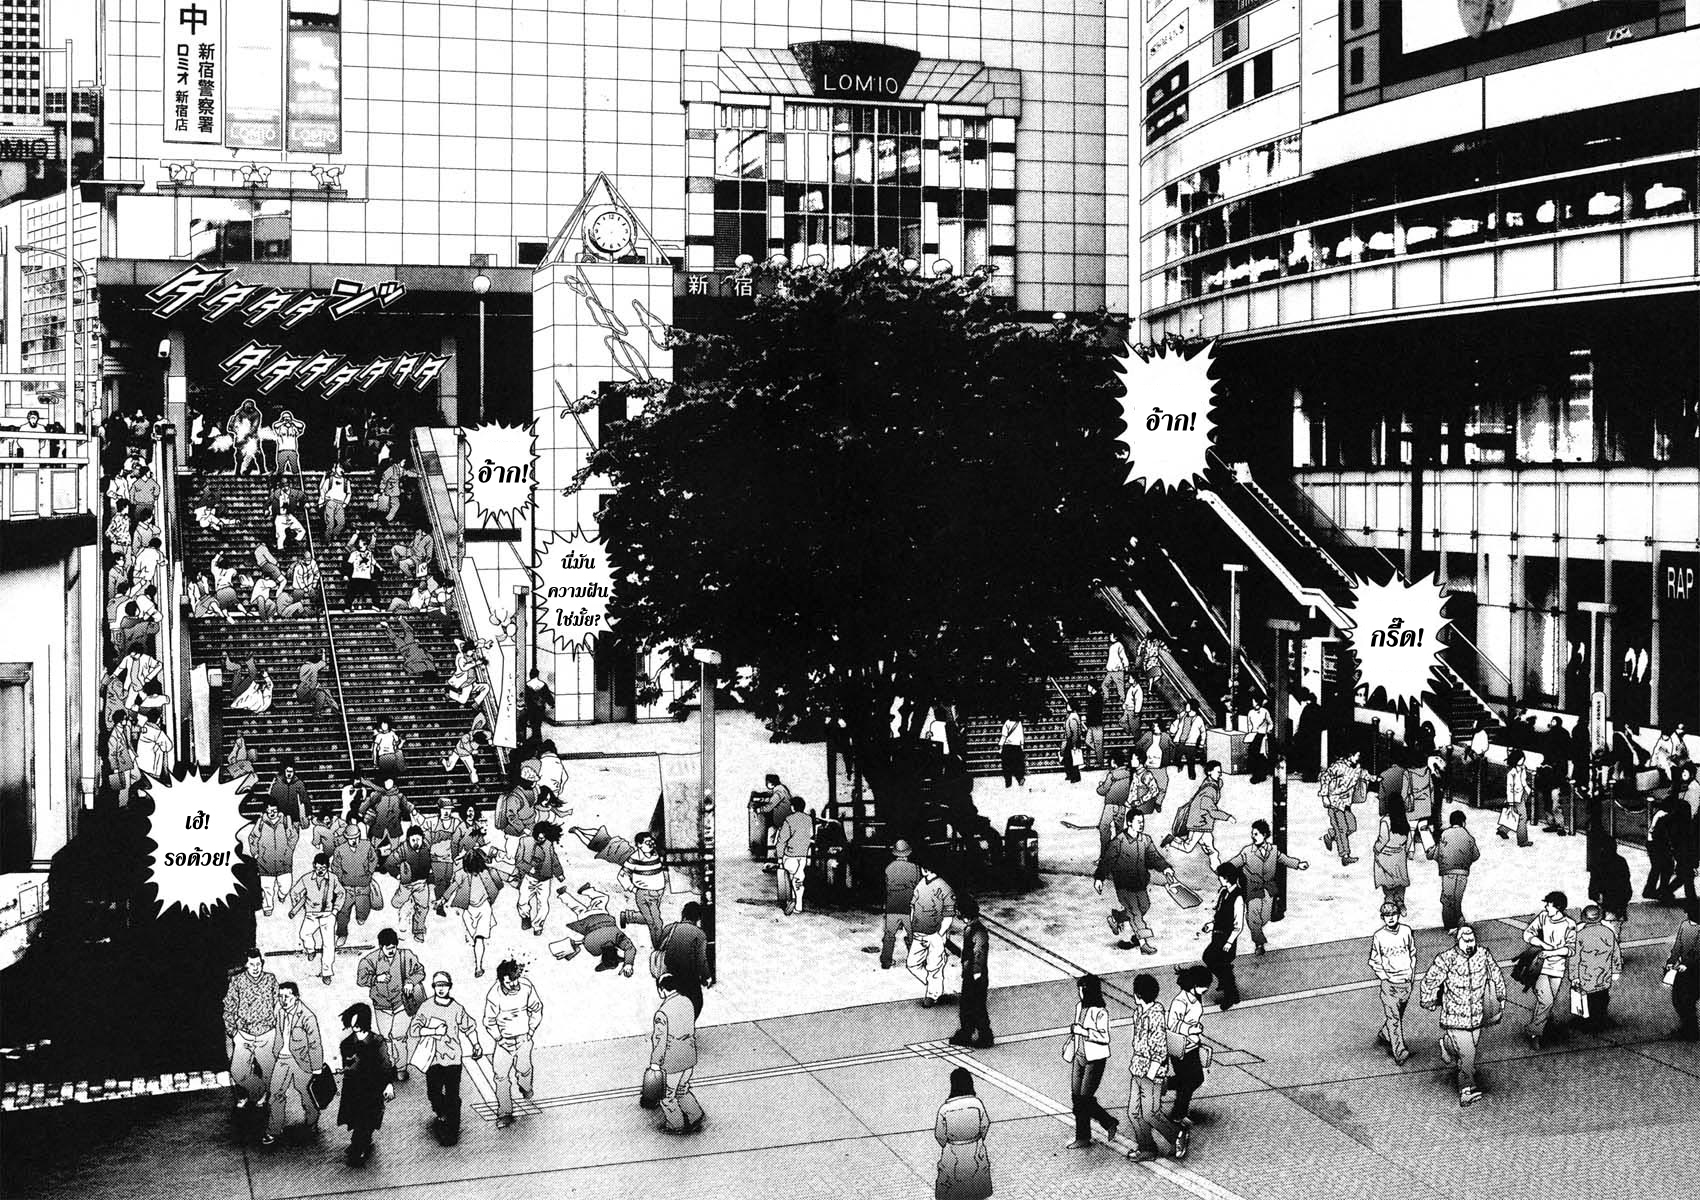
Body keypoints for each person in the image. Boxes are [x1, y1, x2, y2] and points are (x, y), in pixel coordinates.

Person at [1419, 924, 1507, 1106]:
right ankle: (1466, 1090)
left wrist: (1501, 995)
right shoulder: (1446, 959)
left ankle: (1447, 1045)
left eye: (1472, 940)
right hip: (1455, 1016)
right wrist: (1428, 1000)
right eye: (1465, 941)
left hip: (1477, 1015)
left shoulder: (1483, 955)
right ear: (1458, 941)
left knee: (1469, 1048)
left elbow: (1496, 974)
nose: (1469, 944)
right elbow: (1430, 980)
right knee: (1468, 1054)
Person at [411, 971, 482, 1142]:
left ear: (449, 986)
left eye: (444, 985)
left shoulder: (456, 1008)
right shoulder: (427, 1007)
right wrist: (434, 1031)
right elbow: (414, 1029)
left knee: (452, 1096)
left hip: (453, 1058)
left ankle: (452, 1130)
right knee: (433, 1093)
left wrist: (476, 1044)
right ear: (433, 987)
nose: (441, 988)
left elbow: (469, 1027)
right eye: (437, 985)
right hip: (433, 1059)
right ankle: (441, 1112)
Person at [1095, 813, 1177, 954]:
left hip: (1140, 883)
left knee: (1144, 906)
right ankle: (1143, 944)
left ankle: (1117, 918)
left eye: (1142, 821)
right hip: (1124, 885)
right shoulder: (1119, 841)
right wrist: (1099, 878)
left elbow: (1154, 857)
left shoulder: (1146, 840)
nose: (1141, 824)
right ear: (1129, 823)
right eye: (1138, 822)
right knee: (1135, 912)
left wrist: (1166, 868)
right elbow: (1107, 861)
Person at [1225, 819, 1308, 956]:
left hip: (1268, 889)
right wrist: (1225, 869)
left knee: (1264, 917)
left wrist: (1298, 864)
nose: (1253, 837)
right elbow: (1234, 862)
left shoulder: (1273, 850)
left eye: (1256, 834)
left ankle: (1258, 932)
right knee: (1253, 918)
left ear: (1264, 835)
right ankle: (1259, 944)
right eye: (1252, 834)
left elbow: (1284, 859)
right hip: (1253, 889)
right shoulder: (1247, 851)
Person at [357, 929, 426, 1082]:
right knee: (386, 1038)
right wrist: (376, 978)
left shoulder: (406, 956)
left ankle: (401, 1068)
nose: (391, 951)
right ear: (381, 946)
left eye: (393, 947)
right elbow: (361, 979)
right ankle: (390, 1064)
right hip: (382, 1006)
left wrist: (410, 982)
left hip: (402, 1003)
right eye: (387, 948)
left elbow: (420, 972)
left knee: (398, 1037)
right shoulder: (370, 960)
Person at [261, 982, 325, 1147]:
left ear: (296, 997)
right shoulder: (280, 1012)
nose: (283, 1000)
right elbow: (278, 1034)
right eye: (280, 996)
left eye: (287, 997)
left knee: (306, 1093)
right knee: (276, 1093)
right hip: (283, 1059)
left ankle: (312, 1121)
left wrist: (317, 1068)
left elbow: (315, 1043)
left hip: (301, 1061)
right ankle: (274, 1129)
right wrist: (276, 1052)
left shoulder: (307, 1016)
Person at [483, 958, 543, 1129]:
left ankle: (525, 1087)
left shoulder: (526, 987)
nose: (514, 984)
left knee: (524, 1070)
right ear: (501, 980)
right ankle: (505, 1113)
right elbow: (489, 1021)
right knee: (501, 1077)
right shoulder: (494, 995)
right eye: (509, 982)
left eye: (516, 979)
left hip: (523, 1038)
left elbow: (536, 1009)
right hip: (504, 1043)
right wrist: (500, 1039)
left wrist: (530, 1031)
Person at [1121, 972, 1174, 1162]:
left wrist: (1150, 1075)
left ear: (1138, 995)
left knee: (1150, 1113)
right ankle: (1147, 1148)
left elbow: (1160, 1050)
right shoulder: (1138, 1013)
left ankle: (1177, 1135)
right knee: (1134, 1113)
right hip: (1138, 1068)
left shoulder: (1156, 1016)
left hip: (1152, 1072)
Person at [1063, 974, 1118, 1149]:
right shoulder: (1079, 1007)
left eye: (1082, 990)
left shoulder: (1100, 1012)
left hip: (1095, 1058)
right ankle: (1100, 1126)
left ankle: (1086, 1135)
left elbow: (1105, 1037)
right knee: (1077, 1097)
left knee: (1084, 1099)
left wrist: (1084, 1031)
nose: (1079, 994)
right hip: (1079, 1056)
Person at [223, 949, 281, 1114]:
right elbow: (229, 1007)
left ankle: (263, 1097)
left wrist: (277, 1028)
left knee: (270, 1071)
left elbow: (278, 1005)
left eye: (258, 964)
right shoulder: (237, 981)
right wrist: (233, 1032)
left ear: (262, 963)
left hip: (266, 1034)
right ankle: (257, 1091)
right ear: (246, 965)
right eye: (251, 964)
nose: (255, 968)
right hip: (244, 1034)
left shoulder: (270, 980)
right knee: (238, 1072)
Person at [1163, 964, 1211, 1159]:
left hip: (1191, 1045)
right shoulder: (1180, 1001)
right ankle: (1178, 1113)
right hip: (1181, 1048)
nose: (1206, 989)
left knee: (1191, 1079)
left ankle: (1165, 1085)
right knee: (1191, 1080)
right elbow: (1172, 1025)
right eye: (1204, 985)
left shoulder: (1194, 997)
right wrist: (1191, 1029)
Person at [336, 1003, 394, 1166]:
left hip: (372, 1087)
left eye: (357, 1021)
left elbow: (385, 1064)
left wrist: (388, 1084)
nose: (354, 1025)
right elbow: (347, 1064)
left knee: (367, 1117)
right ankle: (361, 1141)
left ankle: (359, 1146)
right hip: (353, 1087)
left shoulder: (377, 1041)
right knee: (356, 1117)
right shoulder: (347, 1043)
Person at [1522, 890, 1578, 1048]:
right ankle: (1534, 1032)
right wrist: (1542, 944)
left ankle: (1540, 1024)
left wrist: (1551, 952)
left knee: (1546, 1002)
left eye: (1549, 905)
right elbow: (1527, 934)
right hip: (1540, 967)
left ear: (1558, 907)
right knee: (1546, 1000)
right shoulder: (1543, 917)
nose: (1546, 907)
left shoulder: (1569, 924)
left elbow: (1570, 949)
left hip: (1557, 969)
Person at [650, 973, 705, 1134]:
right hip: (689, 1056)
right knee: (682, 1089)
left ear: (661, 989)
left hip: (672, 1061)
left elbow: (660, 1041)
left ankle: (676, 1125)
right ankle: (695, 1115)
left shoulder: (662, 1013)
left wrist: (655, 1063)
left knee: (667, 1096)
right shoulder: (687, 1002)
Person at [1367, 900, 1417, 1065]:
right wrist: (1384, 977)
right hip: (1390, 984)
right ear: (1383, 918)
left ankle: (1385, 1033)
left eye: (1393, 914)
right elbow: (1374, 960)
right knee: (1394, 1018)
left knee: (1398, 1014)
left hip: (1405, 982)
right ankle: (1399, 1052)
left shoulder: (1406, 931)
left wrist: (1411, 973)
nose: (1390, 918)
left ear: (1398, 915)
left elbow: (1412, 952)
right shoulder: (1379, 936)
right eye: (1387, 915)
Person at [1162, 760, 1232, 870]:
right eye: (1218, 772)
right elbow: (1212, 811)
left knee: (1211, 849)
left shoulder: (1211, 783)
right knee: (1188, 847)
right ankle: (1171, 841)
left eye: (1220, 771)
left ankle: (1217, 869)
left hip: (1203, 821)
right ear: (1209, 772)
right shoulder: (1209, 790)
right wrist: (1228, 817)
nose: (1220, 774)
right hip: (1198, 822)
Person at [287, 854, 345, 985]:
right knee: (304, 934)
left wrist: (335, 911)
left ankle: (327, 972)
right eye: (318, 868)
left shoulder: (333, 878)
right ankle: (311, 949)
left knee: (329, 944)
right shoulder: (306, 878)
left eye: (323, 868)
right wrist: (298, 905)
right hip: (311, 914)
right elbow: (294, 891)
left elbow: (341, 893)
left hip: (327, 915)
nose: (320, 871)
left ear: (327, 867)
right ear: (314, 866)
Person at [935, 1068, 993, 1199]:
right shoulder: (977, 1103)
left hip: (953, 1150)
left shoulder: (945, 1108)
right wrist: (978, 1138)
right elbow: (985, 1124)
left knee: (952, 1186)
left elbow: (939, 1134)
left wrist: (946, 1144)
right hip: (975, 1147)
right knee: (977, 1185)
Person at [907, 859, 957, 1007]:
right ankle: (934, 987)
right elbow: (913, 907)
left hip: (935, 934)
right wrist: (911, 927)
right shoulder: (921, 884)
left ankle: (933, 994)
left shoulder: (944, 887)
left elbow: (948, 915)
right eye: (924, 866)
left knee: (934, 967)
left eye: (929, 867)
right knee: (912, 964)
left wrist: (940, 934)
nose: (925, 869)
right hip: (919, 933)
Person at [946, 896, 992, 1048]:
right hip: (969, 975)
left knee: (977, 1007)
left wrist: (976, 973)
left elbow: (979, 953)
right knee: (966, 1006)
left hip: (976, 976)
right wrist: (948, 944)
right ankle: (967, 1033)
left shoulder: (978, 932)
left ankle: (984, 1035)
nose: (956, 913)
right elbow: (966, 954)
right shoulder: (969, 929)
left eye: (958, 910)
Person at [450, 848, 505, 978]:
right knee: (474, 937)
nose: (474, 873)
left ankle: (478, 967)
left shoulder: (488, 872)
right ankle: (473, 942)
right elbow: (453, 887)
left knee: (479, 938)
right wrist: (443, 899)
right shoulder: (461, 874)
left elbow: (502, 880)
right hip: (468, 910)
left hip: (484, 908)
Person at [1426, 809, 1481, 931]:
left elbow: (1437, 853)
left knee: (1448, 899)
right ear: (1463, 822)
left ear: (1451, 822)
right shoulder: (1469, 837)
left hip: (1448, 872)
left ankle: (1450, 925)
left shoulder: (1445, 834)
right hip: (1463, 873)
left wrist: (1430, 852)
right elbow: (1476, 855)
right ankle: (1458, 921)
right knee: (1457, 899)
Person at [1200, 862, 1245, 1009]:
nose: (1219, 878)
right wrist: (1211, 926)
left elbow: (1238, 925)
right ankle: (1227, 984)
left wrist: (1229, 942)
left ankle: (1230, 995)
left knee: (1219, 963)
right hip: (1217, 936)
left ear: (1226, 878)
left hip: (1227, 939)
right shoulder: (1224, 893)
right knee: (1209, 958)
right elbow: (1220, 917)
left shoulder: (1238, 897)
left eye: (1220, 876)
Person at [1571, 905, 1622, 1032]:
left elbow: (1574, 958)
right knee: (1603, 996)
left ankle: (1588, 1022)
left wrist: (1574, 976)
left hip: (1586, 974)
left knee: (1588, 998)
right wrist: (1616, 970)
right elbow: (1616, 952)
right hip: (1604, 973)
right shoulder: (1608, 932)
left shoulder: (1580, 935)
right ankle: (1601, 1018)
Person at [331, 817, 380, 946]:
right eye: (350, 838)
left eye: (355, 838)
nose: (353, 841)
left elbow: (373, 859)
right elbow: (335, 866)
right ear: (346, 838)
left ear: (359, 836)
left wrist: (369, 872)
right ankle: (342, 934)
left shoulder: (367, 846)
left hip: (363, 885)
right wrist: (341, 878)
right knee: (342, 912)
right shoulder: (340, 850)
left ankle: (361, 916)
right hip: (346, 887)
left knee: (363, 908)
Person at [514, 821, 566, 936]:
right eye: (539, 835)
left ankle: (538, 926)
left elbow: (554, 859)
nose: (541, 837)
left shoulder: (549, 844)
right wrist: (529, 868)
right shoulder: (524, 841)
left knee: (543, 905)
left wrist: (559, 873)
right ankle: (525, 917)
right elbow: (518, 861)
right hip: (529, 878)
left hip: (545, 880)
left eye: (544, 835)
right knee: (522, 902)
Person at [249, 801, 300, 917]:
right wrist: (255, 853)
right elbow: (253, 837)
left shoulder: (285, 821)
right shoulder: (261, 822)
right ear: (265, 811)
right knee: (267, 889)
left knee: (286, 886)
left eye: (274, 811)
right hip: (265, 864)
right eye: (269, 811)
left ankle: (282, 895)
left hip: (284, 863)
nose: (272, 813)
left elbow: (293, 836)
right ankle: (268, 907)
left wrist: (290, 849)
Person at [1319, 752, 1366, 865]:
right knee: (1342, 829)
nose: (1359, 758)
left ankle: (1330, 835)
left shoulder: (1357, 768)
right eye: (1357, 756)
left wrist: (1376, 778)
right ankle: (1345, 856)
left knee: (1352, 827)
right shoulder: (1338, 766)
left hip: (1346, 804)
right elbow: (1325, 777)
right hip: (1335, 803)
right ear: (1350, 756)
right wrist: (1324, 796)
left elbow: (1364, 775)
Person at [881, 839, 921, 970]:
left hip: (892, 906)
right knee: (912, 935)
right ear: (907, 853)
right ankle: (914, 961)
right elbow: (918, 887)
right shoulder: (914, 868)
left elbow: (886, 887)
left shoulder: (889, 868)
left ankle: (886, 961)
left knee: (889, 935)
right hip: (909, 907)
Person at [1371, 802, 1415, 913]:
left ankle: (1389, 901)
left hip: (1386, 854)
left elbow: (1383, 839)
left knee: (1387, 880)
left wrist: (1376, 848)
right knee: (1400, 879)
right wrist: (1405, 850)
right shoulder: (1404, 820)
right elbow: (1409, 838)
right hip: (1399, 854)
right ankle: (1400, 901)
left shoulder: (1385, 821)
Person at [773, 798, 814, 915]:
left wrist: (779, 857)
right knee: (798, 878)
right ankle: (797, 904)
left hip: (790, 855)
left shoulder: (789, 819)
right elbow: (810, 834)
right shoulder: (808, 819)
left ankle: (794, 901)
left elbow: (782, 840)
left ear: (793, 807)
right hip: (803, 855)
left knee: (794, 877)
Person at [1667, 900, 1700, 1041]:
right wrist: (1672, 960)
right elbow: (1678, 945)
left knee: (1687, 1000)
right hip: (1684, 968)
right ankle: (1688, 1027)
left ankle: (1690, 1030)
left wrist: (1686, 964)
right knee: (1678, 999)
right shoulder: (1685, 926)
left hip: (1695, 970)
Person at [1093, 749, 1133, 856]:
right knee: (1119, 830)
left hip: (1110, 805)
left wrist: (1099, 786)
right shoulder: (1129, 774)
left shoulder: (1112, 775)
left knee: (1104, 827)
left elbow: (1103, 790)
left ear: (1113, 762)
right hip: (1122, 806)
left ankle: (1105, 854)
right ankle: (1120, 854)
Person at [1500, 749, 1533, 847]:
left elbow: (1523, 781)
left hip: (1522, 794)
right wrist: (1510, 802)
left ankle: (1503, 830)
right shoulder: (1511, 773)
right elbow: (1510, 789)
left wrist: (1528, 790)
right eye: (1520, 759)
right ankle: (1522, 840)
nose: (1522, 760)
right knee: (1523, 817)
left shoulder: (1522, 768)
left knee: (1514, 813)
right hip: (1515, 797)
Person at [296, 651, 342, 716]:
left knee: (322, 691)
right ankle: (318, 711)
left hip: (300, 691)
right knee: (323, 694)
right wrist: (323, 653)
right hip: (306, 692)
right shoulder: (314, 667)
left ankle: (334, 708)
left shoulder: (303, 666)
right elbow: (323, 662)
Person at [521, 668, 554, 743]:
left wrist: (525, 704)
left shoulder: (527, 684)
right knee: (538, 722)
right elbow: (547, 695)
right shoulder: (542, 684)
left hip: (531, 707)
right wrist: (551, 703)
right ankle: (538, 737)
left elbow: (526, 697)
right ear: (537, 674)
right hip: (540, 707)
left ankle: (535, 737)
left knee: (533, 722)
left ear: (530, 675)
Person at [1244, 695, 1273, 783]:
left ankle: (1260, 775)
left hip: (1262, 734)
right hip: (1253, 734)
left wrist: (1268, 730)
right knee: (1253, 755)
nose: (1252, 703)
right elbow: (1249, 724)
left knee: (1260, 755)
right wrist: (1250, 732)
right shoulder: (1250, 712)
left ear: (1257, 702)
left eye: (1253, 701)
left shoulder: (1265, 711)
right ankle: (1255, 774)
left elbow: (1270, 723)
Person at [998, 714, 1026, 789]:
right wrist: (1022, 746)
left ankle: (1008, 782)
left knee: (1006, 765)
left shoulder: (1007, 723)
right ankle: (1020, 778)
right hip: (1017, 746)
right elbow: (1021, 736)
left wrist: (1000, 746)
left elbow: (1004, 736)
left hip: (1008, 747)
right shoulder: (1019, 723)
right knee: (1018, 764)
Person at [1103, 637, 1129, 705]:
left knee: (1120, 686)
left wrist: (1126, 665)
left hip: (1117, 670)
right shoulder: (1112, 646)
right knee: (1104, 684)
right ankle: (1106, 696)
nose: (1110, 637)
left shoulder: (1119, 645)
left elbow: (1123, 655)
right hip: (1111, 670)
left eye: (1111, 635)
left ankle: (1122, 699)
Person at [1084, 688, 1106, 768]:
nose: (1087, 687)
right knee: (1088, 741)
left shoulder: (1098, 697)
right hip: (1092, 724)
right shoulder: (1094, 697)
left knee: (1098, 744)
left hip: (1096, 724)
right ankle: (1098, 757)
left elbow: (1096, 712)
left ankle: (1100, 763)